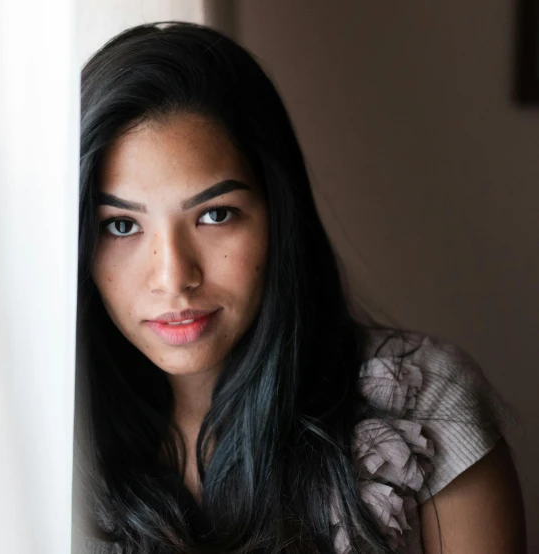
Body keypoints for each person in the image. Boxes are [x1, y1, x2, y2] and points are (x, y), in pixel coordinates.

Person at [73, 21, 526, 554]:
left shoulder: (424, 406)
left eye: (216, 215)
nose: (174, 277)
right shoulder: (44, 444)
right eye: (122, 226)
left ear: (277, 217)